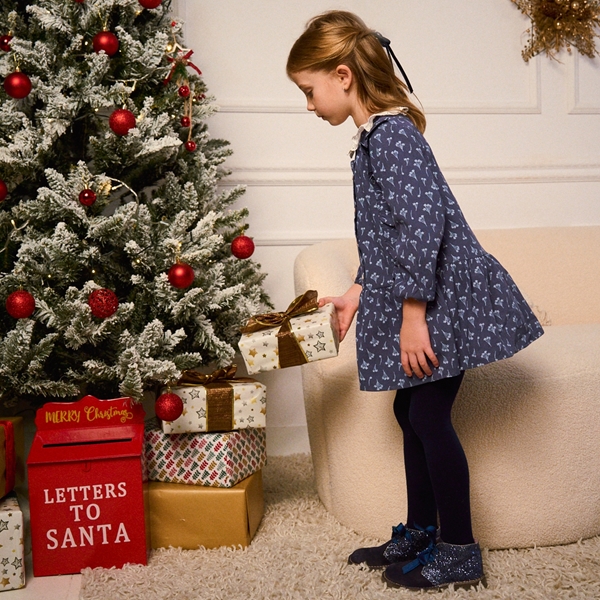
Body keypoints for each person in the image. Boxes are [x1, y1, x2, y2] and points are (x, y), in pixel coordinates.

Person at [286, 10, 544, 592]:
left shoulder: (393, 136)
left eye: (309, 90)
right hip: (425, 299)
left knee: (427, 414)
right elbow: (386, 235)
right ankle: (423, 530)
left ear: (344, 75)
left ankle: (458, 550)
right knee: (410, 412)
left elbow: (423, 230)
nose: (307, 105)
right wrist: (356, 291)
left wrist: (412, 316)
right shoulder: (374, 139)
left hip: (439, 302)